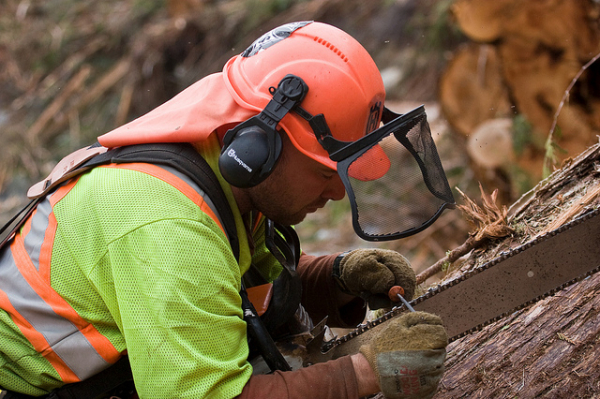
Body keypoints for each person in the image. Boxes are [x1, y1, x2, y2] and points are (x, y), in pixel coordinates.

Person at [0, 21, 449, 399]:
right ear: (261, 147)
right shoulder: (168, 227)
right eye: (326, 172)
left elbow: (235, 286)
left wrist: (335, 279)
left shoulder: (222, 171)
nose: (336, 193)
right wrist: (366, 374)